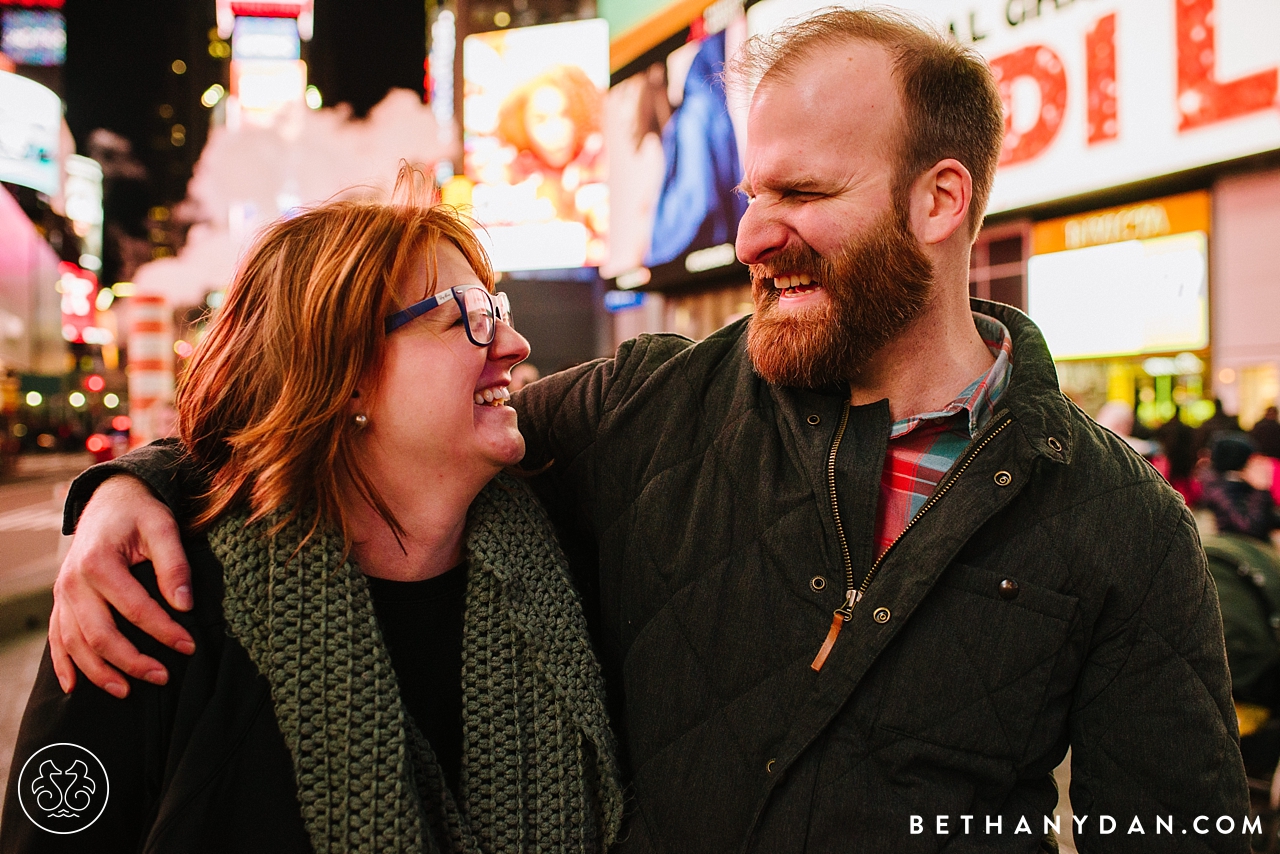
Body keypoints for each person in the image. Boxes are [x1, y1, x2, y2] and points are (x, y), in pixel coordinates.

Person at [44, 9, 1248, 852]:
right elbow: (356, 434)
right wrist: (133, 486)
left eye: (802, 195)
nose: (752, 233)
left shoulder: (1118, 522)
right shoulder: (646, 407)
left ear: (939, 201)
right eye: (749, 193)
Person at [0, 170, 621, 852]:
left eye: (498, 312)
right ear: (341, 372)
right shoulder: (153, 604)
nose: (514, 346)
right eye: (467, 318)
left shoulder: (572, 558)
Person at [1200, 434, 1280, 776]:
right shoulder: (1222, 489)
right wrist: (1261, 490)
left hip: (1257, 571)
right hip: (1243, 574)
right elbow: (1247, 524)